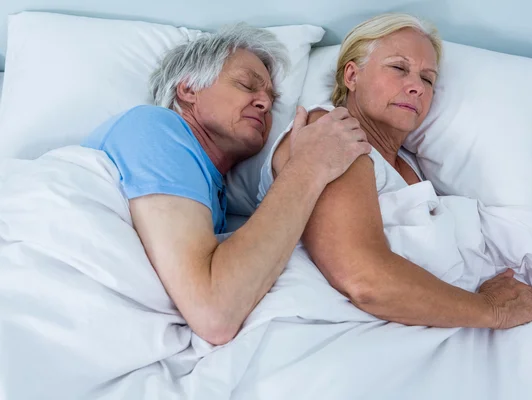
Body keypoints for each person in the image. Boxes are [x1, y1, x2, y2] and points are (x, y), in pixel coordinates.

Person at [82, 24, 371, 345]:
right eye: (247, 85)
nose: (264, 103)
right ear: (189, 88)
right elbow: (214, 313)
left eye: (271, 100)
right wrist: (309, 165)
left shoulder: (214, 197)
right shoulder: (154, 127)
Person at [271, 13, 532, 330]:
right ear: (352, 76)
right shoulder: (331, 134)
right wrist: (490, 310)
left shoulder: (410, 165)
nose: (417, 88)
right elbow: (364, 279)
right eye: (398, 68)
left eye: (428, 79)